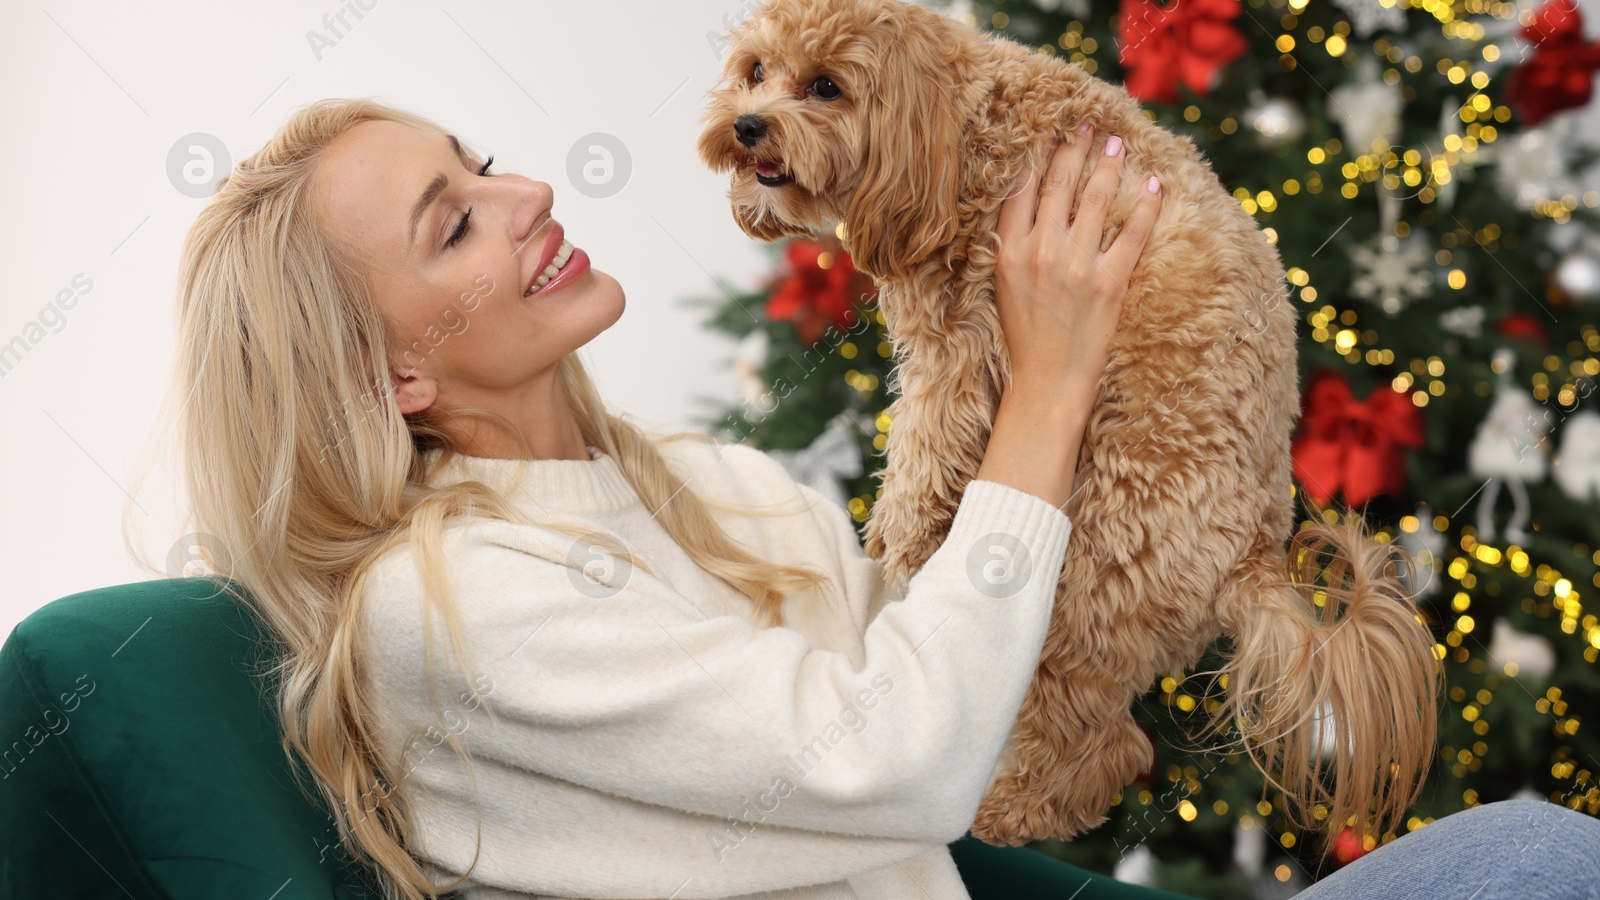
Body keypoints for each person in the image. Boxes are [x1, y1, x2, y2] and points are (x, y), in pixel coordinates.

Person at [153, 97, 1600, 899]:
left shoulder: (703, 489)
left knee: (1537, 851)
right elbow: (903, 759)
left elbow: (962, 660)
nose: (526, 189)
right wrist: (1045, 386)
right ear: (393, 374)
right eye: (454, 221)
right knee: (1539, 864)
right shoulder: (445, 610)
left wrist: (1066, 361)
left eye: (478, 158)